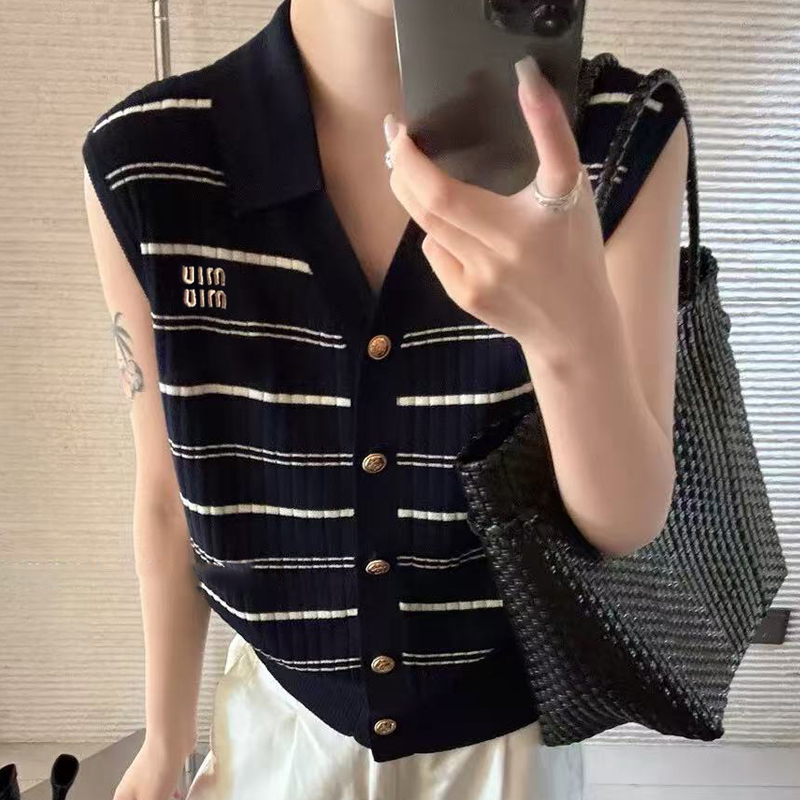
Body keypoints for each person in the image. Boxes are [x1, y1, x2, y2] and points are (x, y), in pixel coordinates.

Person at [82, 0, 689, 798]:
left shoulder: (618, 133)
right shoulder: (146, 162)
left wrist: (568, 335)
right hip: (280, 732)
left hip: (504, 749)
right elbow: (169, 497)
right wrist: (164, 742)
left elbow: (628, 521)